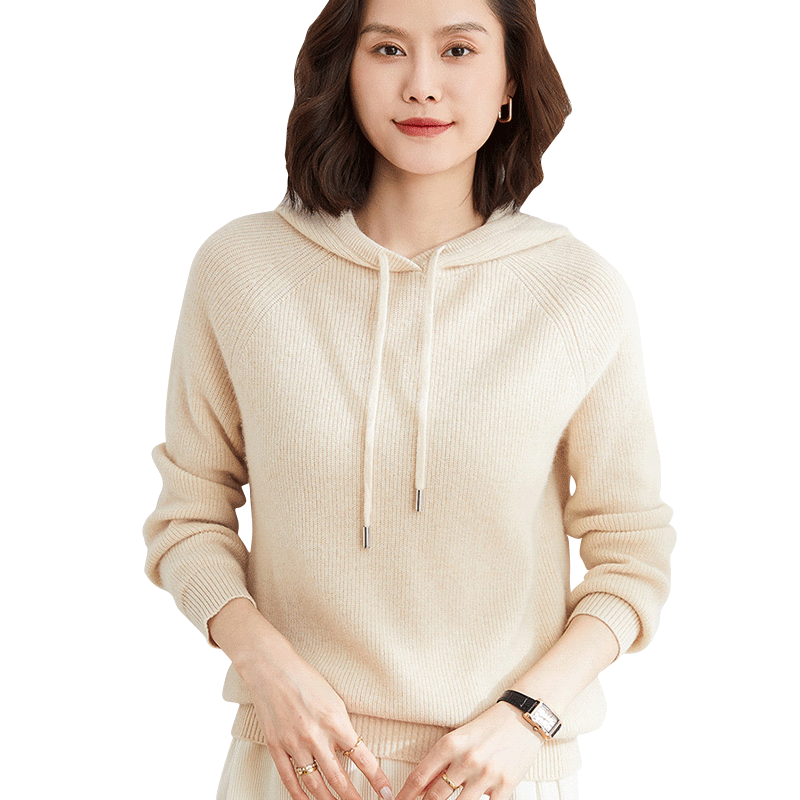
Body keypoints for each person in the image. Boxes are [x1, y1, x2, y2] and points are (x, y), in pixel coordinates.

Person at [142, 0, 677, 798]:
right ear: (345, 70)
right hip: (291, 770)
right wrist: (268, 670)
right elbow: (189, 517)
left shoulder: (576, 293)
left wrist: (528, 717)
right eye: (388, 48)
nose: (422, 84)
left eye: (458, 50)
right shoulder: (242, 271)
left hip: (498, 778)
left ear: (509, 80)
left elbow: (631, 555)